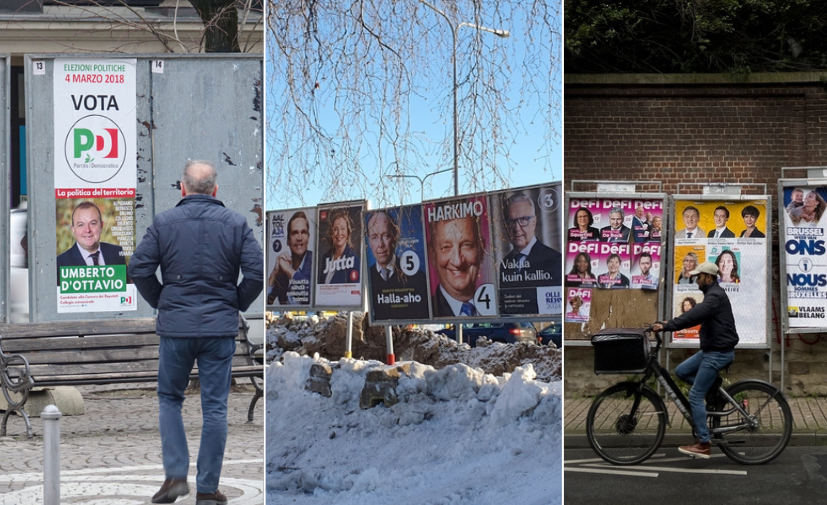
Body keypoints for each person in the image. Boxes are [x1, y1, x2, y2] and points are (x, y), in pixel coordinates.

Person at [128, 160, 263, 505]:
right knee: (215, 407)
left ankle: (175, 477)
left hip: (176, 329)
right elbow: (257, 273)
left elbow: (138, 268)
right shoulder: (236, 223)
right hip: (218, 329)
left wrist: (162, 301)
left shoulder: (164, 222)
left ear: (182, 188)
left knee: (169, 399)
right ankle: (207, 490)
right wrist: (234, 302)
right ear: (215, 189)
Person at [653, 261, 739, 459]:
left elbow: (693, 316)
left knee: (694, 395)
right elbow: (695, 314)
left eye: (699, 277)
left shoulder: (715, 297)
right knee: (682, 371)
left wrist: (668, 326)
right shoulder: (712, 295)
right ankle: (712, 391)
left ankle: (703, 443)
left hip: (718, 353)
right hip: (710, 350)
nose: (696, 280)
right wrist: (669, 323)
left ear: (708, 277)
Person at [366, 210, 428, 320]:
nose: (380, 244)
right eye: (374, 237)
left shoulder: (417, 278)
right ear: (369, 242)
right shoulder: (366, 280)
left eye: (385, 236)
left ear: (395, 237)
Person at [429, 212, 485, 317]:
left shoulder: (501, 306)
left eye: (466, 245)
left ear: (481, 249)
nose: (457, 262)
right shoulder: (424, 311)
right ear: (432, 255)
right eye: (446, 247)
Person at [56, 201, 125, 285]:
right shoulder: (60, 263)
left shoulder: (116, 253)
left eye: (93, 223)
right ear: (73, 229)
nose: (87, 230)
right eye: (81, 225)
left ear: (101, 226)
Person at [500, 193, 562, 286]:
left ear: (534, 221)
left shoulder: (555, 260)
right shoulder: (505, 263)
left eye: (523, 219)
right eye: (510, 222)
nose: (517, 228)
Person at [267, 211, 313, 305]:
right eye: (295, 233)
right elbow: (267, 301)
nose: (299, 238)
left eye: (303, 232)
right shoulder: (283, 269)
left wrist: (289, 270)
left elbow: (312, 295)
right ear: (288, 240)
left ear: (308, 238)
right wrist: (274, 274)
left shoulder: (315, 262)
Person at [318, 210, 360, 284]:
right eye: (335, 229)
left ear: (348, 232)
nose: (339, 233)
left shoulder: (354, 259)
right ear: (331, 233)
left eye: (343, 229)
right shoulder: (326, 258)